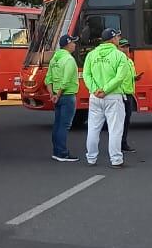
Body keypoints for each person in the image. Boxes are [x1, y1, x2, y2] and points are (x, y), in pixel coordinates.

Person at [82, 28, 133, 168]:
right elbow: (120, 77)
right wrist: (105, 90)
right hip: (114, 96)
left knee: (93, 128)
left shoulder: (91, 55)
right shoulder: (119, 56)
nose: (118, 39)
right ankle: (116, 159)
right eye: (117, 37)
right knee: (115, 129)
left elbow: (86, 75)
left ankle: (91, 158)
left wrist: (95, 89)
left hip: (95, 97)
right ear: (113, 39)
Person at [44, 34, 79, 162]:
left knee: (58, 125)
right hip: (67, 96)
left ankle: (56, 151)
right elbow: (65, 81)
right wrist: (57, 95)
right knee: (65, 126)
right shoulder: (69, 60)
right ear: (68, 44)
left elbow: (48, 79)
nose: (75, 44)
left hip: (57, 96)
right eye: (73, 42)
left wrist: (52, 95)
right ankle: (62, 153)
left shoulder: (54, 59)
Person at [117, 37, 142, 153]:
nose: (125, 49)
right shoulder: (117, 60)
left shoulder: (130, 61)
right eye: (122, 46)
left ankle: (123, 142)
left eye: (127, 46)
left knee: (126, 120)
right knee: (119, 121)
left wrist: (135, 78)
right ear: (118, 48)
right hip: (121, 94)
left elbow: (128, 77)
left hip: (129, 93)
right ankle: (119, 144)